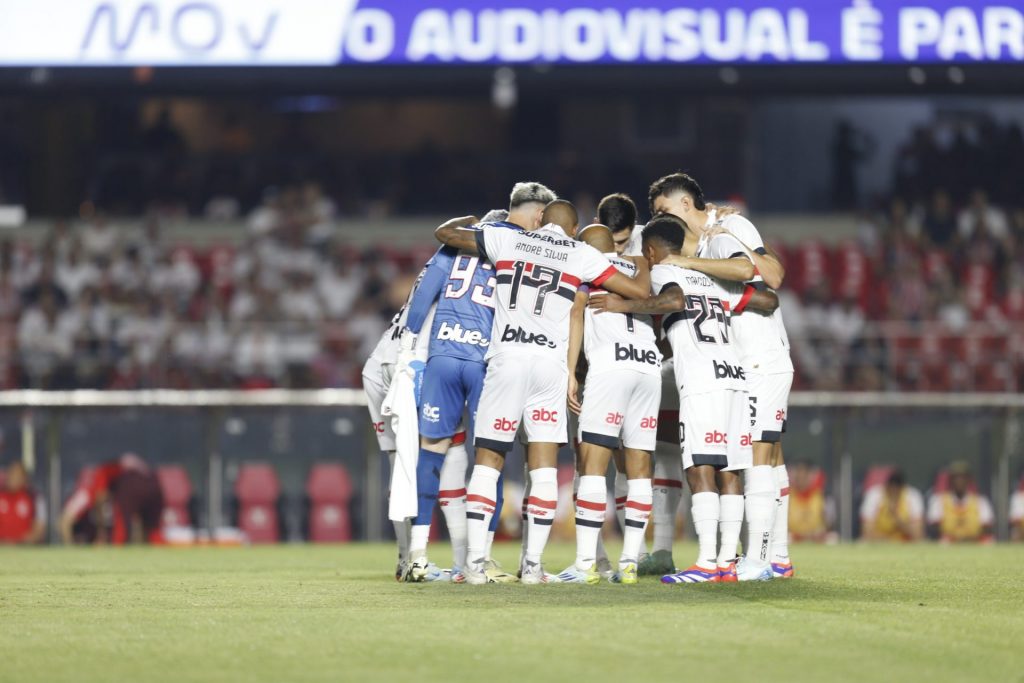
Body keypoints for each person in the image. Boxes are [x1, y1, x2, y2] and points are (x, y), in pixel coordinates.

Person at [435, 198, 649, 584]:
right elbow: (635, 289)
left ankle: (475, 565)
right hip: (550, 366)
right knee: (545, 466)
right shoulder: (580, 252)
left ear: (539, 223)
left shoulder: (506, 240)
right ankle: (533, 565)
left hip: (508, 358)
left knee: (489, 459)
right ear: (571, 229)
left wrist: (473, 219)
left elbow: (446, 234)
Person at [590, 215, 778, 584]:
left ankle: (707, 562)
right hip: (734, 377)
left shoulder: (660, 271)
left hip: (703, 380)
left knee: (699, 469)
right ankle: (726, 562)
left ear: (649, 249)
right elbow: (768, 299)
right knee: (730, 472)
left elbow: (673, 299)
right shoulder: (712, 278)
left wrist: (621, 306)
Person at [649, 172, 796, 580]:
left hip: (761, 357)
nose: (662, 220)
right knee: (764, 457)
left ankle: (759, 560)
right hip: (744, 361)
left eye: (663, 211)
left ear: (682, 204)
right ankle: (777, 556)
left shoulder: (726, 229)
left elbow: (766, 273)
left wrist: (683, 260)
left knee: (759, 456)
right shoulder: (713, 236)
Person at [399, 199, 532, 583]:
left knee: (431, 456)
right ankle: (479, 558)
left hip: (442, 354)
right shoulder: (518, 251)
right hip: (485, 362)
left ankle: (418, 555)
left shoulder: (453, 247)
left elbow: (424, 295)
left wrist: (410, 346)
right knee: (489, 461)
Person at [557, 223, 656, 585]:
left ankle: (587, 564)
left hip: (610, 366)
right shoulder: (639, 267)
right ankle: (630, 562)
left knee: (593, 464)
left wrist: (570, 371)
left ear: (587, 248)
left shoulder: (589, 269)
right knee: (639, 466)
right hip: (648, 367)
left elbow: (576, 312)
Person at [60, 454, 164, 545]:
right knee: (153, 531)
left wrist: (101, 534)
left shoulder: (96, 480)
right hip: (155, 485)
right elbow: (65, 521)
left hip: (133, 483)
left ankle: (119, 547)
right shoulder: (87, 492)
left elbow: (100, 497)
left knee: (121, 527)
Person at [926, 462, 994, 544]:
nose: (959, 481)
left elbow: (987, 527)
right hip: (947, 543)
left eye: (963, 477)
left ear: (968, 480)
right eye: (956, 478)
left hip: (974, 542)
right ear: (951, 480)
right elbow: (934, 528)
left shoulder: (980, 501)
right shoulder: (939, 500)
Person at [860, 470, 924, 542]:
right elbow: (867, 533)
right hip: (879, 543)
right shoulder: (874, 495)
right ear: (886, 487)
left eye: (897, 490)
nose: (893, 492)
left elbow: (918, 535)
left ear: (902, 488)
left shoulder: (912, 496)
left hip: (904, 544)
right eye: (891, 489)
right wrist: (890, 540)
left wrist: (896, 518)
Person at [0, 461, 45, 544]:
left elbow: (39, 529)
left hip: (24, 548)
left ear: (24, 478)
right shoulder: (1, 495)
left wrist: (21, 543)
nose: (13, 478)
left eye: (17, 475)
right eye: (11, 474)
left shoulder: (33, 497)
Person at [788, 461, 831, 543]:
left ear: (809, 477)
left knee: (832, 538)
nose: (801, 479)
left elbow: (828, 523)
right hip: (793, 538)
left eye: (804, 476)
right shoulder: (788, 496)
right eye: (799, 476)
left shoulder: (819, 496)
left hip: (816, 538)